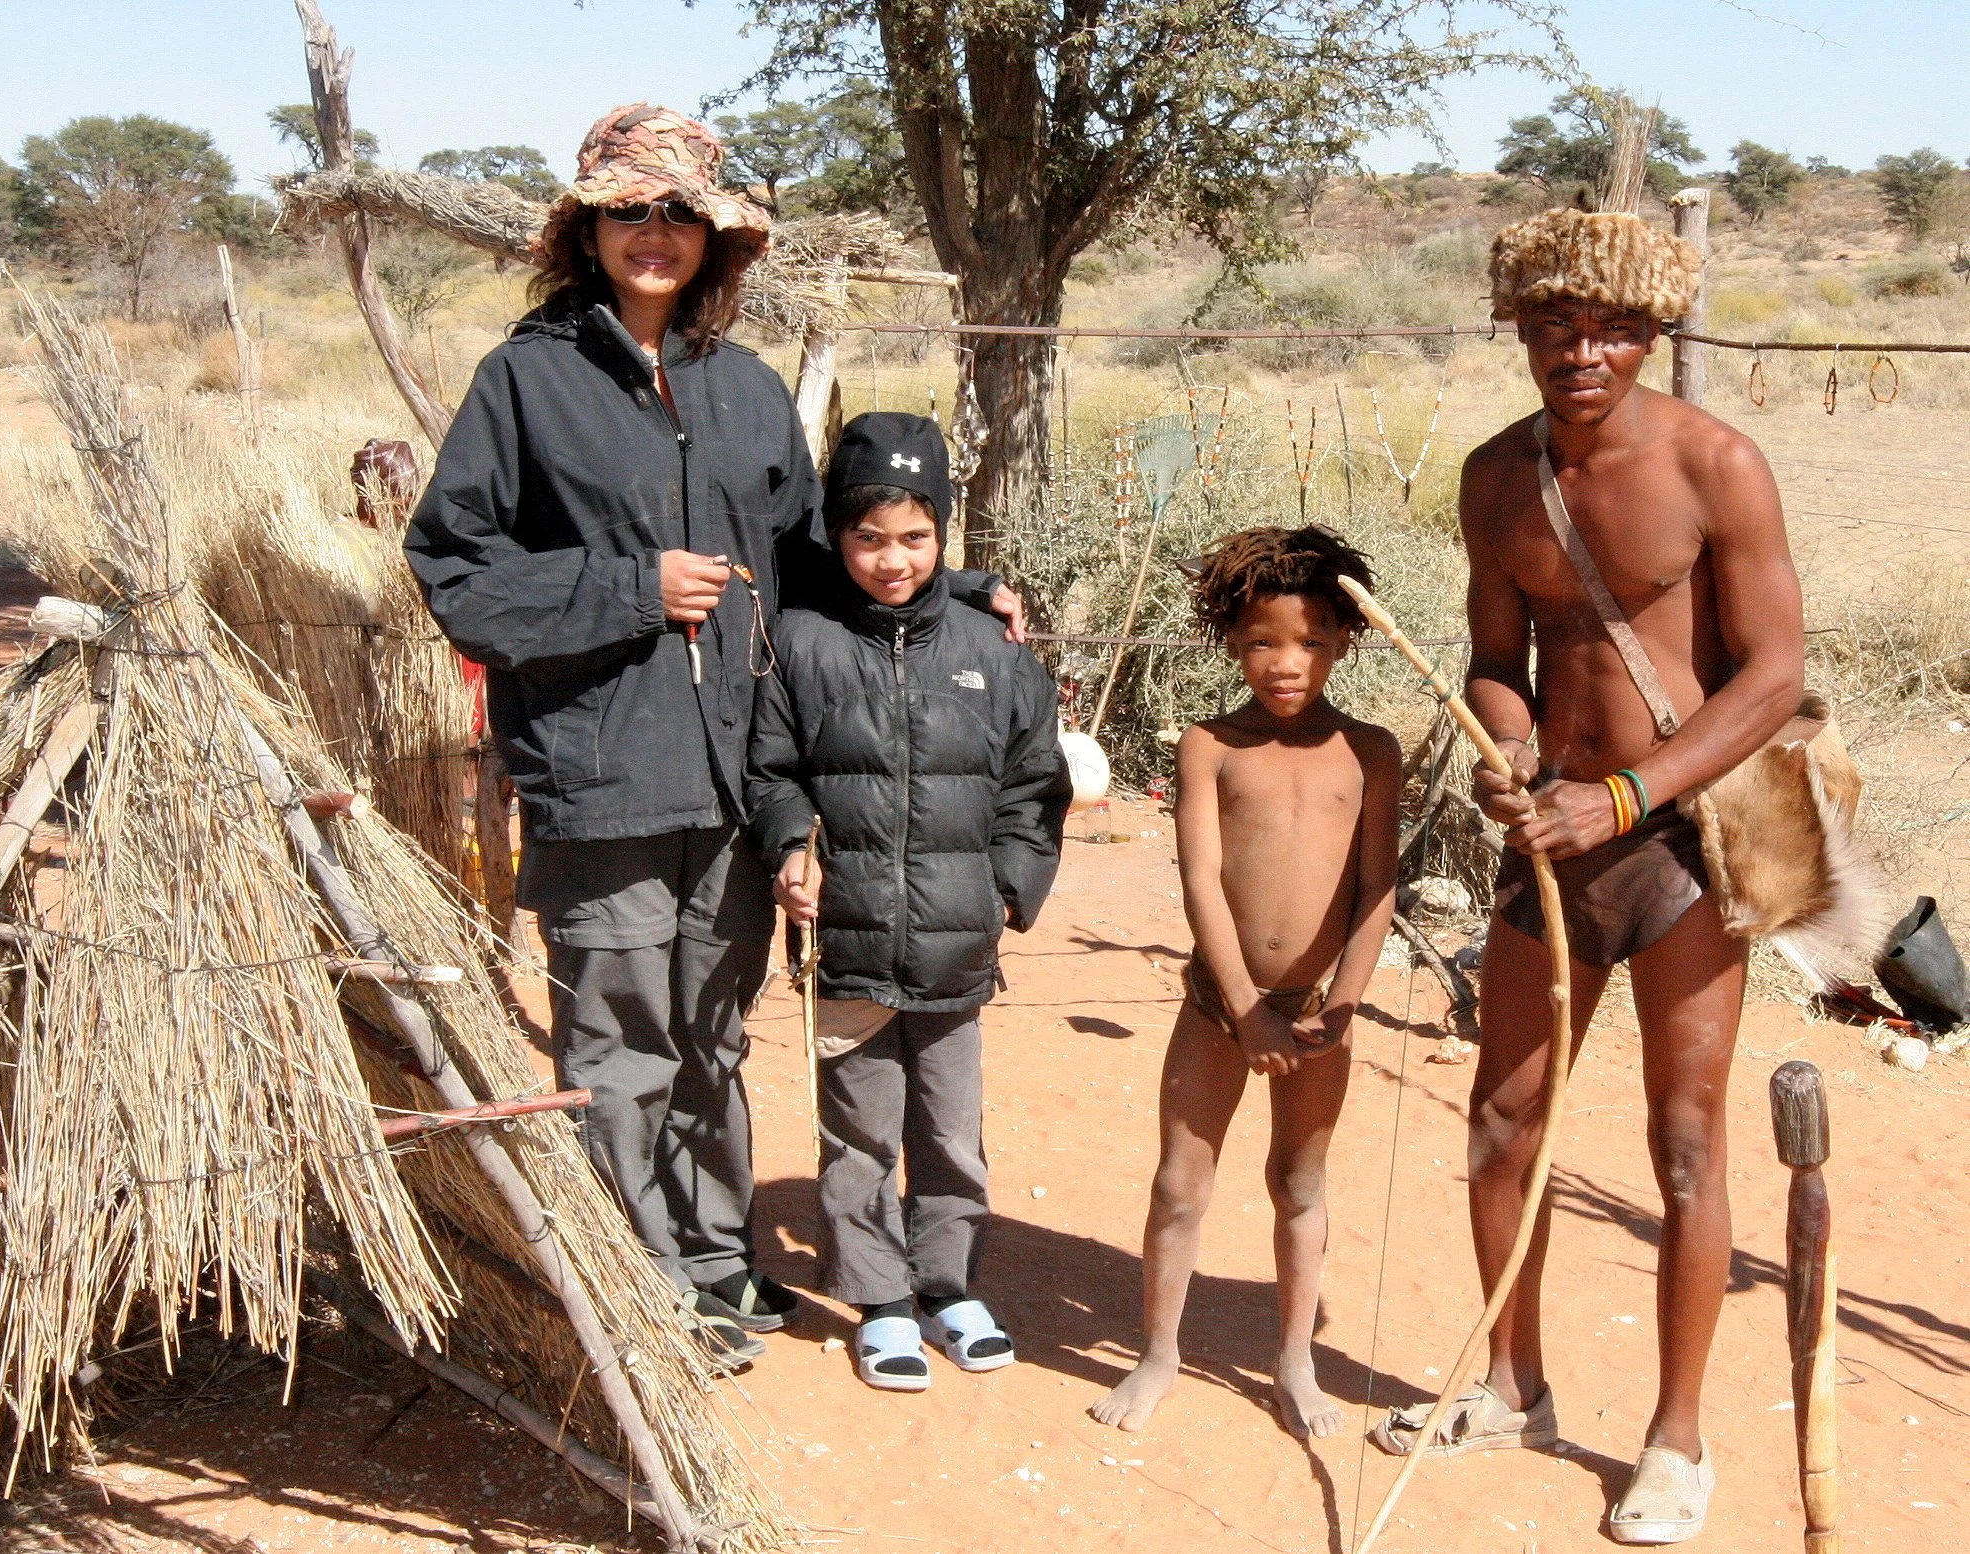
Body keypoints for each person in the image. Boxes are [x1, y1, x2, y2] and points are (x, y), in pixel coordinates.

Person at [404, 106, 1020, 1367]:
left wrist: (954, 592)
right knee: (620, 1047)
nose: (654, 234)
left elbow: (812, 564)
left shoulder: (743, 392)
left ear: (713, 239)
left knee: (711, 1038)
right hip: (602, 773)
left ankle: (714, 1261)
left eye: (678, 213)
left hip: (739, 779)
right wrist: (631, 589)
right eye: (629, 211)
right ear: (587, 229)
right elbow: (452, 567)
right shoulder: (524, 381)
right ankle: (633, 1292)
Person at [1369, 208, 1804, 1546]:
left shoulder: (1714, 464)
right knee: (1502, 1121)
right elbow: (1497, 650)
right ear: (1518, 328)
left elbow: (1773, 677)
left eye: (1612, 325)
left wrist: (1621, 793)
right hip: (1548, 846)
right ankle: (1511, 1382)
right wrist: (1507, 751)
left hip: (1679, 845)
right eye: (1555, 323)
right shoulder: (1498, 479)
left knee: (1682, 1143)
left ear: (1652, 331)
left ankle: (1675, 1442)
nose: (1582, 349)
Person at [745, 413, 1070, 1392]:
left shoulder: (995, 653)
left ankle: (947, 1282)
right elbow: (773, 772)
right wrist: (789, 847)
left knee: (949, 1131)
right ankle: (881, 1298)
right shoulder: (800, 645)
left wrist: (1006, 891)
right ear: (837, 538)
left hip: (957, 949)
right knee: (857, 1133)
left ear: (946, 535)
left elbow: (1034, 784)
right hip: (842, 948)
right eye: (868, 537)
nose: (892, 559)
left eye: (915, 537)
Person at [1092, 526, 1400, 1437]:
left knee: (1299, 1185)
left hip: (1318, 1020)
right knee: (1179, 1186)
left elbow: (1378, 887)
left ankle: (1296, 1363)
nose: (1285, 663)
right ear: (1231, 639)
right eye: (1263, 641)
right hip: (1216, 1008)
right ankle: (1158, 1355)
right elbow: (1198, 881)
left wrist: (1341, 1006)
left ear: (1344, 638)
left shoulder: (1370, 752)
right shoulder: (1210, 745)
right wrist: (1243, 1009)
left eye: (1308, 641)